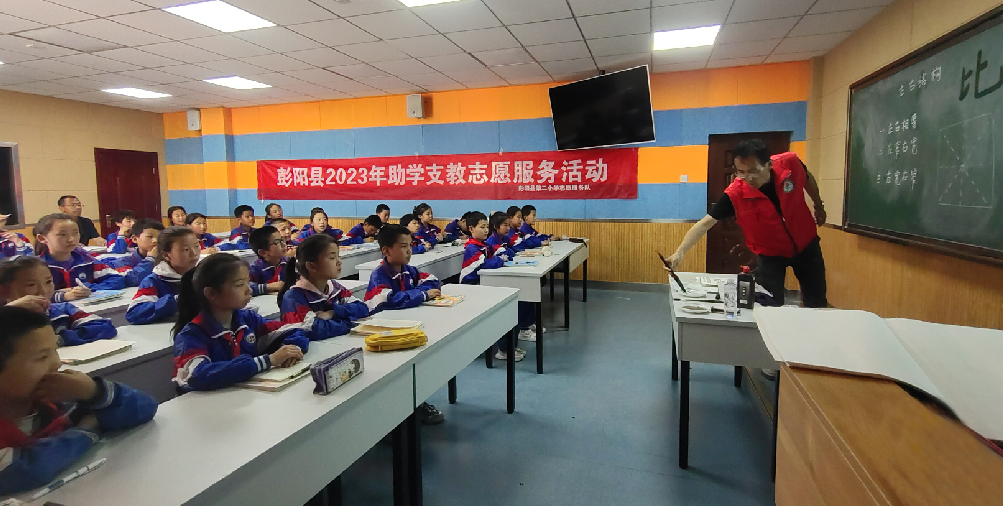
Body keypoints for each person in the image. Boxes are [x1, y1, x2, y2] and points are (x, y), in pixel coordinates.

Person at [0, 306, 157, 494]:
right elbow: (26, 470)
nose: (57, 363)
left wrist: (93, 391)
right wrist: (86, 430)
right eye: (42, 357)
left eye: (56, 350)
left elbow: (144, 408)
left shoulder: (56, 401)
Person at [665, 139, 828, 307]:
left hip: (806, 245)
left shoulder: (790, 163)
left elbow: (807, 178)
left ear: (769, 164)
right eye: (741, 172)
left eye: (753, 171)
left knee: (816, 302)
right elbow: (705, 223)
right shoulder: (735, 193)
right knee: (769, 304)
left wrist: (818, 205)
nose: (748, 178)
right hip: (770, 253)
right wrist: (679, 253)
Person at [172, 254, 308, 392]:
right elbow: (200, 376)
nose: (249, 289)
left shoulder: (248, 319)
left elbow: (293, 330)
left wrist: (291, 349)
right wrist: (267, 361)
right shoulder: (191, 336)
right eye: (240, 285)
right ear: (211, 293)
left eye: (248, 282)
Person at [0, 256, 116, 347]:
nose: (43, 291)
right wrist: (8, 311)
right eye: (31, 285)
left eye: (48, 282)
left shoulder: (61, 310)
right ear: (3, 291)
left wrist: (60, 339)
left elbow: (104, 326)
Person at [278, 234, 369, 345]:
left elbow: (362, 308)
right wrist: (350, 323)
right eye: (332, 258)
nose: (339, 262)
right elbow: (314, 330)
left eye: (338, 256)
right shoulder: (294, 297)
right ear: (311, 266)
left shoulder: (334, 287)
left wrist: (333, 313)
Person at [460, 212, 523, 361]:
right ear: (471, 228)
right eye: (482, 227)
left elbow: (505, 252)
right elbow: (484, 264)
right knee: (504, 309)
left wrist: (501, 256)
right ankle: (504, 350)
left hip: (484, 284)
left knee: (512, 303)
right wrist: (500, 260)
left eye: (487, 227)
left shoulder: (484, 245)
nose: (486, 230)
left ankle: (509, 347)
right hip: (472, 289)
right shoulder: (471, 248)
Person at [35, 213, 124, 303]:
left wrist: (86, 288)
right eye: (63, 234)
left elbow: (117, 279)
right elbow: (32, 297)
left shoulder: (86, 260)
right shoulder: (37, 267)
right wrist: (63, 296)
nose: (71, 239)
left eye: (75, 233)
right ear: (42, 238)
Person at [125, 226, 200, 325]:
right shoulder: (154, 281)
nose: (194, 253)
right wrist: (177, 300)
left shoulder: (204, 275)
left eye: (197, 246)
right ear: (166, 255)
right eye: (185, 249)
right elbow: (134, 313)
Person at [486, 212, 539, 341]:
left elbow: (512, 250)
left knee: (528, 289)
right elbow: (507, 253)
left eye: (509, 225)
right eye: (505, 225)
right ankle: (523, 328)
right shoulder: (492, 241)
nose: (508, 228)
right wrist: (508, 253)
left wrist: (508, 253)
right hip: (494, 278)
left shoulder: (503, 238)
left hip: (503, 271)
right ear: (496, 226)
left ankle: (527, 324)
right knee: (523, 292)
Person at [365, 224, 442, 312]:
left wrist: (414, 294)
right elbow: (388, 300)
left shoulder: (409, 270)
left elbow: (433, 281)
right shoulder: (379, 275)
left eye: (410, 245)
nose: (409, 250)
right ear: (386, 251)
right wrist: (422, 295)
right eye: (404, 246)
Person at [103, 219, 162, 287]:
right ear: (135, 239)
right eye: (150, 237)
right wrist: (150, 259)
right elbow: (131, 280)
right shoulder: (124, 262)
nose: (155, 241)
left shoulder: (167, 258)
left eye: (159, 237)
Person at [248, 226, 287, 296]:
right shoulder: (255, 268)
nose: (283, 244)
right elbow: (245, 288)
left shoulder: (289, 263)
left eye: (282, 240)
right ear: (263, 253)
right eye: (277, 242)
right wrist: (268, 287)